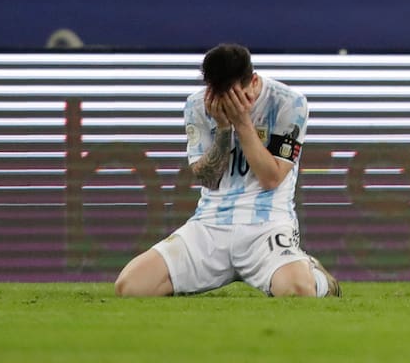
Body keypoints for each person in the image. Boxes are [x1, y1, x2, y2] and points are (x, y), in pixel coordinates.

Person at [114, 43, 340, 298]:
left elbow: (271, 177)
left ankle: (316, 275)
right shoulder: (198, 105)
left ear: (253, 82)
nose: (228, 106)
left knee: (298, 290)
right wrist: (222, 129)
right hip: (209, 226)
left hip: (268, 226)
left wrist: (242, 122)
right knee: (131, 286)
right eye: (221, 98)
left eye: (235, 97)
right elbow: (207, 179)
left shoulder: (289, 103)